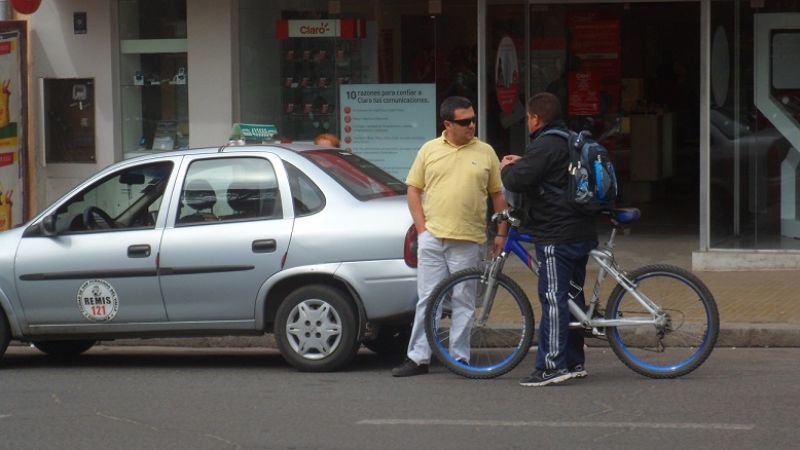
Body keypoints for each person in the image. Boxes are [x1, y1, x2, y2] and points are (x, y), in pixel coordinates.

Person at [392, 96, 507, 377]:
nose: (471, 125)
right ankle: (418, 358)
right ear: (447, 124)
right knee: (427, 298)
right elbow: (413, 189)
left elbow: (497, 194)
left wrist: (501, 232)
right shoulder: (429, 150)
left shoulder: (486, 151)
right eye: (464, 121)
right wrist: (422, 229)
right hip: (433, 238)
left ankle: (459, 357)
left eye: (473, 119)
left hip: (468, 239)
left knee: (464, 301)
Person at [499, 92, 598, 387]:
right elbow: (545, 172)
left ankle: (551, 366)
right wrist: (524, 162)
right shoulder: (569, 139)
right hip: (580, 230)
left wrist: (506, 168)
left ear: (535, 118)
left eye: (527, 117)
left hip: (557, 233)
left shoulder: (544, 144)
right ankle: (574, 361)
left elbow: (518, 180)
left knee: (553, 298)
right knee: (571, 297)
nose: (527, 121)